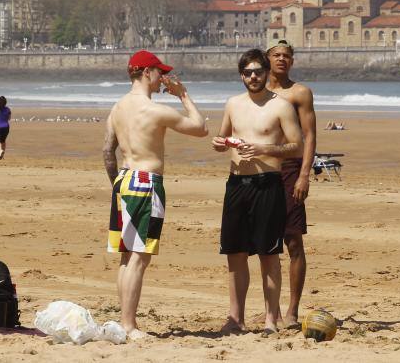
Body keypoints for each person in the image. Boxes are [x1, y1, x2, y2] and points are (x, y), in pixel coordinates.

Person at [103, 50, 207, 340]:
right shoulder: (154, 109)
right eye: (159, 72)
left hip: (123, 179)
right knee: (139, 257)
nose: (163, 78)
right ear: (146, 73)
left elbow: (107, 151)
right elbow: (200, 128)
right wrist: (183, 95)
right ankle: (128, 325)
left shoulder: (117, 107)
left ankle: (124, 321)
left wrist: (116, 184)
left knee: (126, 257)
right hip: (146, 181)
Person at [212, 49, 303, 336]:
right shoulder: (232, 104)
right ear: (241, 75)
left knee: (268, 254)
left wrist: (263, 148)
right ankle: (235, 318)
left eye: (258, 72)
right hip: (238, 184)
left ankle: (269, 320)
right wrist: (221, 143)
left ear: (266, 74)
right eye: (248, 72)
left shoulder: (281, 106)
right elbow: (225, 136)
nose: (253, 76)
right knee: (235, 254)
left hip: (268, 184)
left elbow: (297, 146)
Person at [265, 38, 316, 329]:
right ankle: (271, 310)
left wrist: (304, 174)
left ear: (292, 61)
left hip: (290, 170)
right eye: (277, 55)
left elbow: (309, 136)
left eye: (287, 55)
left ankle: (293, 310)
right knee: (265, 245)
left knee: (293, 241)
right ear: (268, 58)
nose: (282, 59)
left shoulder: (300, 93)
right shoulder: (257, 91)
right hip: (261, 171)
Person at [0, 96, 11, 160]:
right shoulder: (8, 109)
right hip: (6, 127)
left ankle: (0, 151)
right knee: (3, 141)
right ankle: (2, 156)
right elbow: (9, 118)